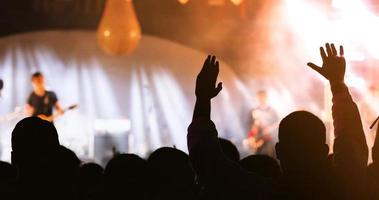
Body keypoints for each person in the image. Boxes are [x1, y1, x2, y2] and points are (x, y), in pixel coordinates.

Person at [245, 90, 278, 156]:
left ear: (266, 98)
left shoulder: (272, 111)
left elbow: (277, 125)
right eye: (259, 98)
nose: (260, 100)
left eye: (262, 97)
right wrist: (251, 135)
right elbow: (249, 125)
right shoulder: (253, 111)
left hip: (269, 139)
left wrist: (269, 130)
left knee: (270, 156)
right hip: (257, 139)